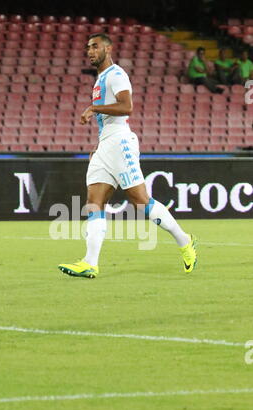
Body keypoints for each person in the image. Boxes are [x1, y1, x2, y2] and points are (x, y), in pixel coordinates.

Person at [58, 33, 197, 279]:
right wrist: (99, 145)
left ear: (108, 48)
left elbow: (126, 107)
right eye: (88, 47)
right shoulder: (100, 79)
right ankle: (90, 263)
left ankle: (184, 241)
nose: (90, 51)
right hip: (106, 145)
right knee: (94, 201)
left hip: (120, 142)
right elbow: (108, 121)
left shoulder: (117, 75)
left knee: (141, 201)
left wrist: (93, 108)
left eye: (95, 46)